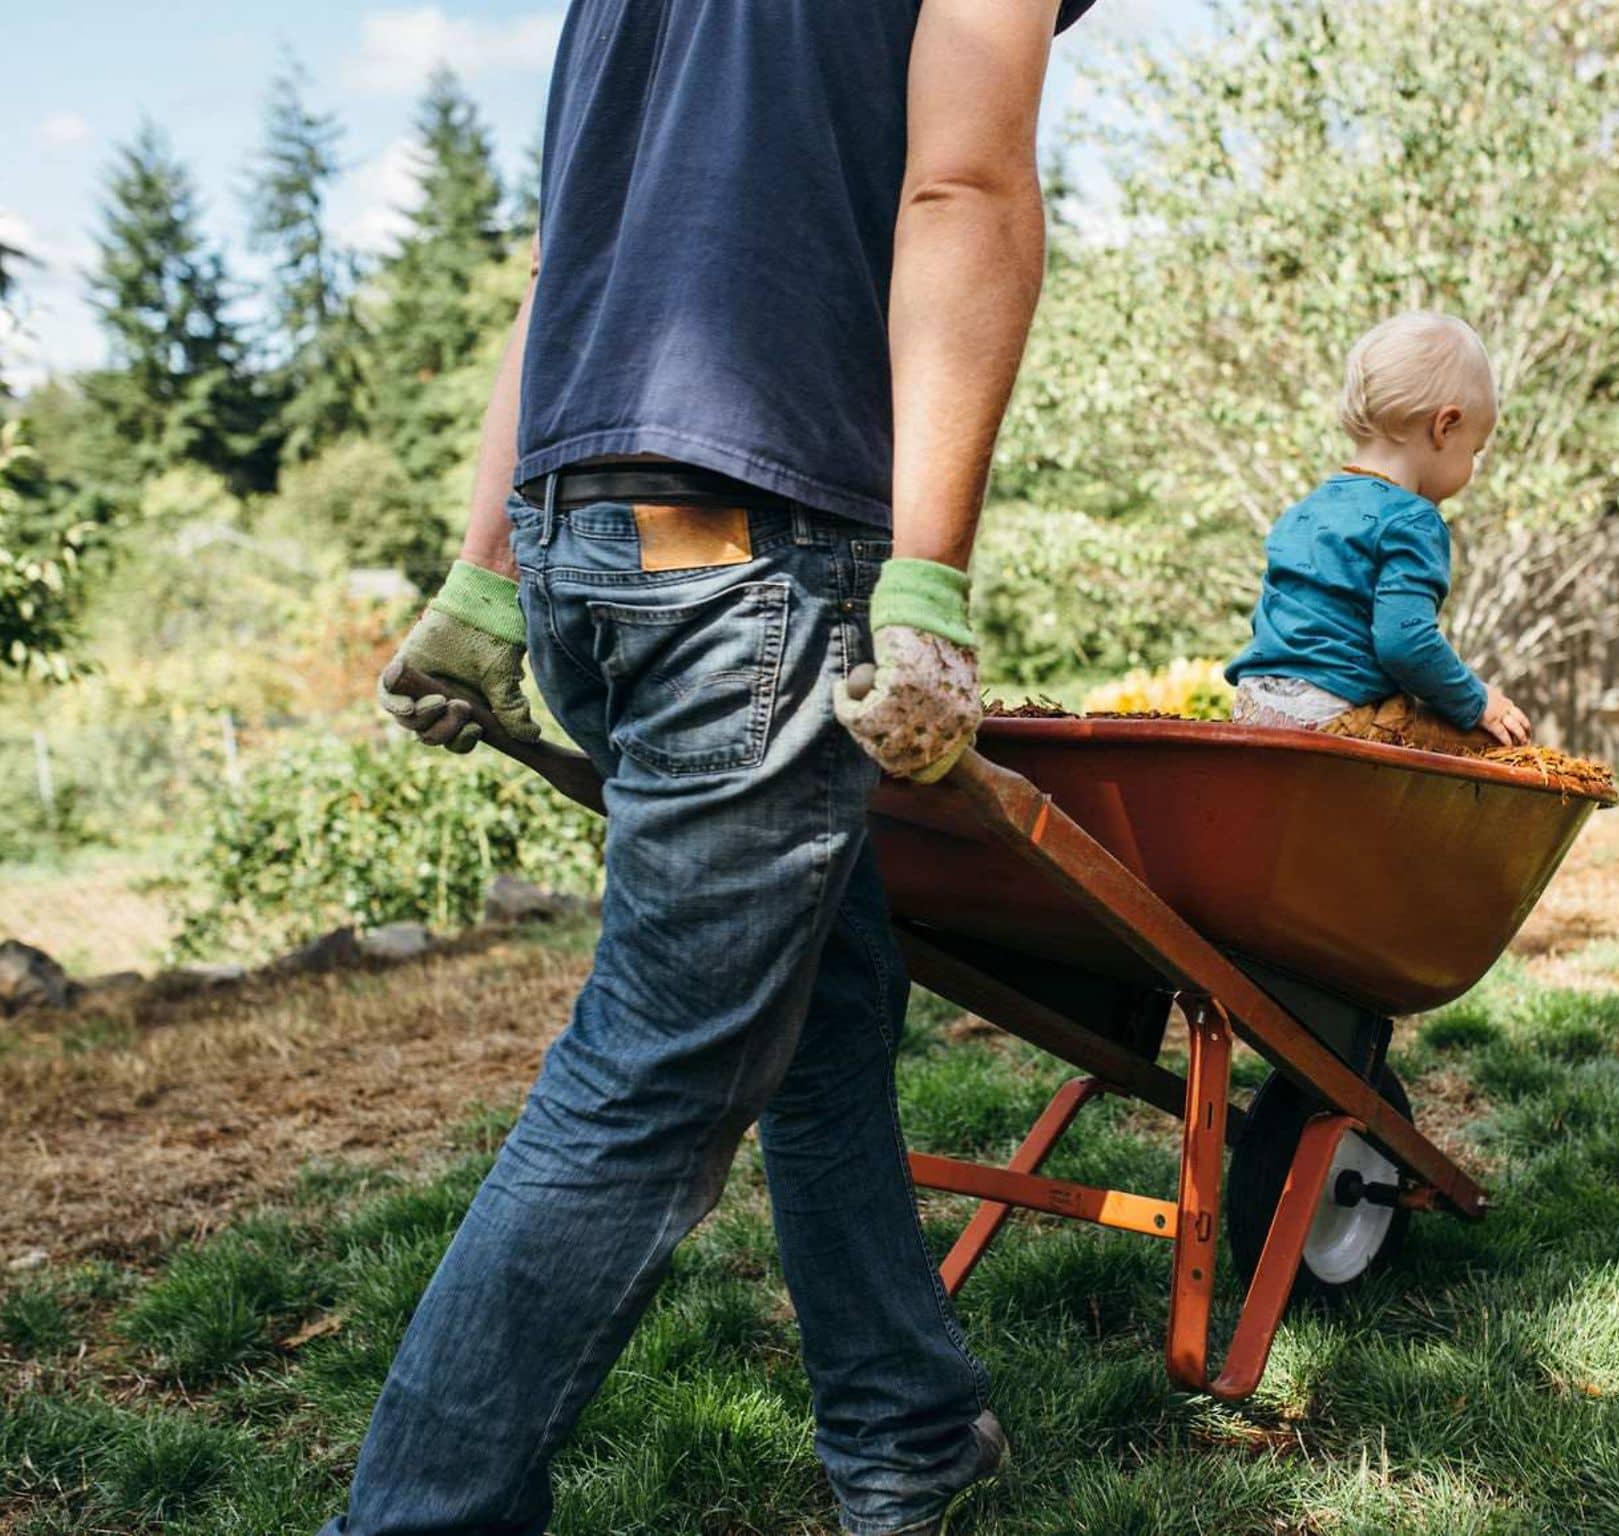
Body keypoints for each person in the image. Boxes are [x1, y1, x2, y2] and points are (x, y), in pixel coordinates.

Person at [352, 2, 1096, 1533]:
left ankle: (908, 1436)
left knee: (822, 1010)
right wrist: (930, 581)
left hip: (586, 526)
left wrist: (488, 575)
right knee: (659, 1063)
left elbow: (564, 265)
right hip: (750, 548)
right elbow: (963, 187)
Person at [1224, 311, 1532, 753]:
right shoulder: (1412, 519)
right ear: (1445, 427)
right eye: (1474, 451)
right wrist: (1480, 703)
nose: (1473, 468)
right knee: (1492, 747)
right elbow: (1405, 643)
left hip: (1254, 711)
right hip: (1334, 720)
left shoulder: (1305, 511)